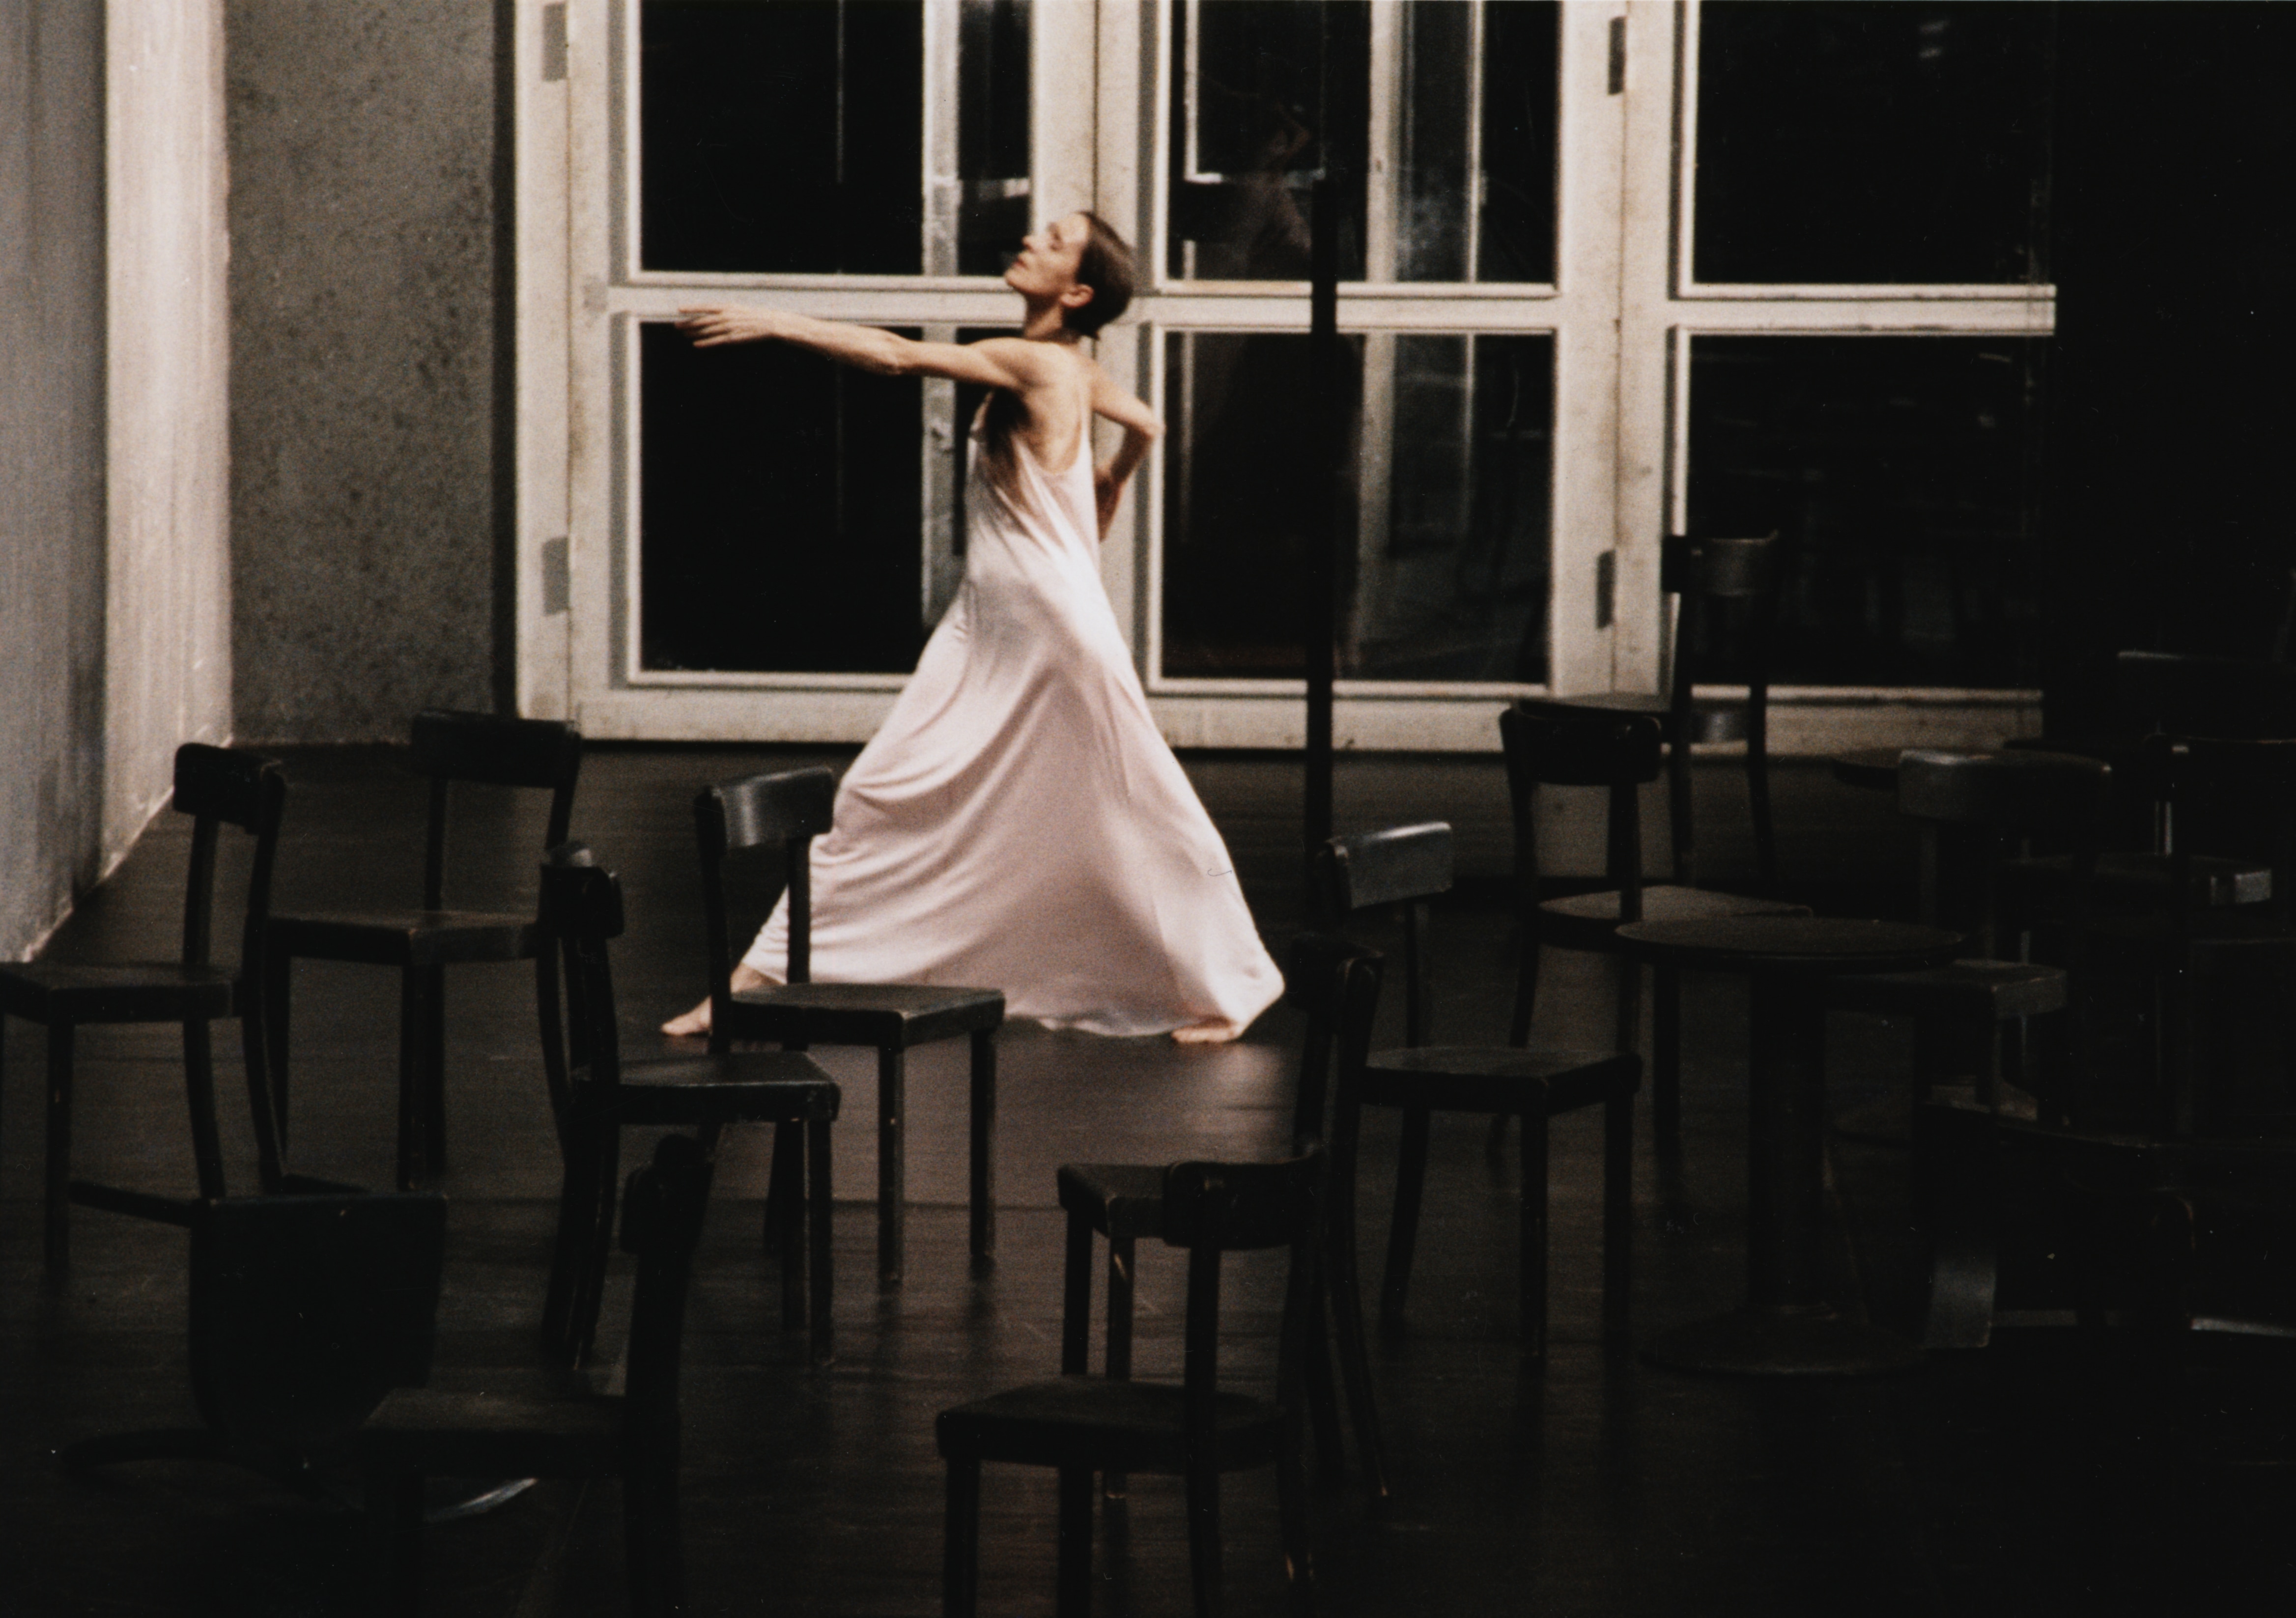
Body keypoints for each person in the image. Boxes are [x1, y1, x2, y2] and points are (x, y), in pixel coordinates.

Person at [664, 212, 1283, 1043]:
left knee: (1132, 803)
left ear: (1078, 291)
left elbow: (896, 357)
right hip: (1001, 625)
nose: (1031, 240)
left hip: (1043, 630)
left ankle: (1237, 982)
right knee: (893, 796)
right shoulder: (1069, 366)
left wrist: (780, 322)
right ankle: (748, 986)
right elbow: (1148, 423)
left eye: (1054, 242)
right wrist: (1109, 484)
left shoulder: (1032, 361)